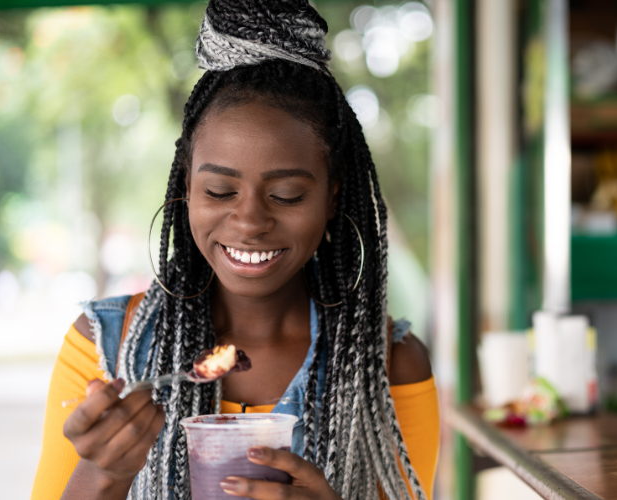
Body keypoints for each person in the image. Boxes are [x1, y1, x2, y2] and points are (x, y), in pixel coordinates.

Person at [30, 1, 438, 499]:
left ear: (332, 198)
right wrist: (105, 473)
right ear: (185, 189)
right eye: (219, 192)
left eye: (287, 195)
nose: (249, 222)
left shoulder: (388, 364)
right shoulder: (104, 349)